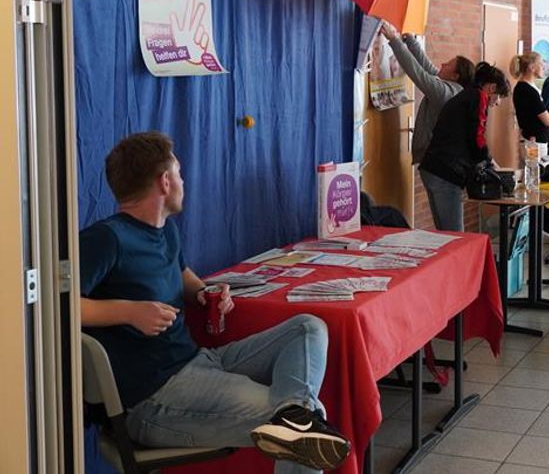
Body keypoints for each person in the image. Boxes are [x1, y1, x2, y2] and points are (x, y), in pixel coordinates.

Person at [79, 132, 350, 473]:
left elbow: (184, 278)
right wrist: (129, 312)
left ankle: (295, 409)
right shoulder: (106, 238)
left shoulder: (165, 231)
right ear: (165, 182)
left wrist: (207, 293)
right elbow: (56, 306)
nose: (182, 181)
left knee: (308, 328)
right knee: (303, 433)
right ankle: (295, 419)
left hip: (199, 362)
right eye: (178, 173)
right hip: (153, 400)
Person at [419, 62, 511, 231]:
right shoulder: (479, 97)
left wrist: (488, 161)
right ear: (491, 87)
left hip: (433, 168)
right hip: (445, 172)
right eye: (499, 97)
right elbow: (477, 138)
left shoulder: (466, 95)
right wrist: (490, 163)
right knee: (456, 236)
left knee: (446, 234)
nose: (497, 103)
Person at [380, 23, 475, 165]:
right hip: (437, 159)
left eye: (448, 65)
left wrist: (394, 40)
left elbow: (418, 73)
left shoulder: (445, 93)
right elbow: (427, 67)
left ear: (455, 76)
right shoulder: (455, 89)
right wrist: (410, 40)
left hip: (434, 161)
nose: (442, 64)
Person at [510, 51, 549, 158]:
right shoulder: (527, 90)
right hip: (533, 143)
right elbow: (547, 121)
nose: (543, 67)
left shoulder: (529, 87)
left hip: (536, 141)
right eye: (540, 63)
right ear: (532, 67)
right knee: (534, 172)